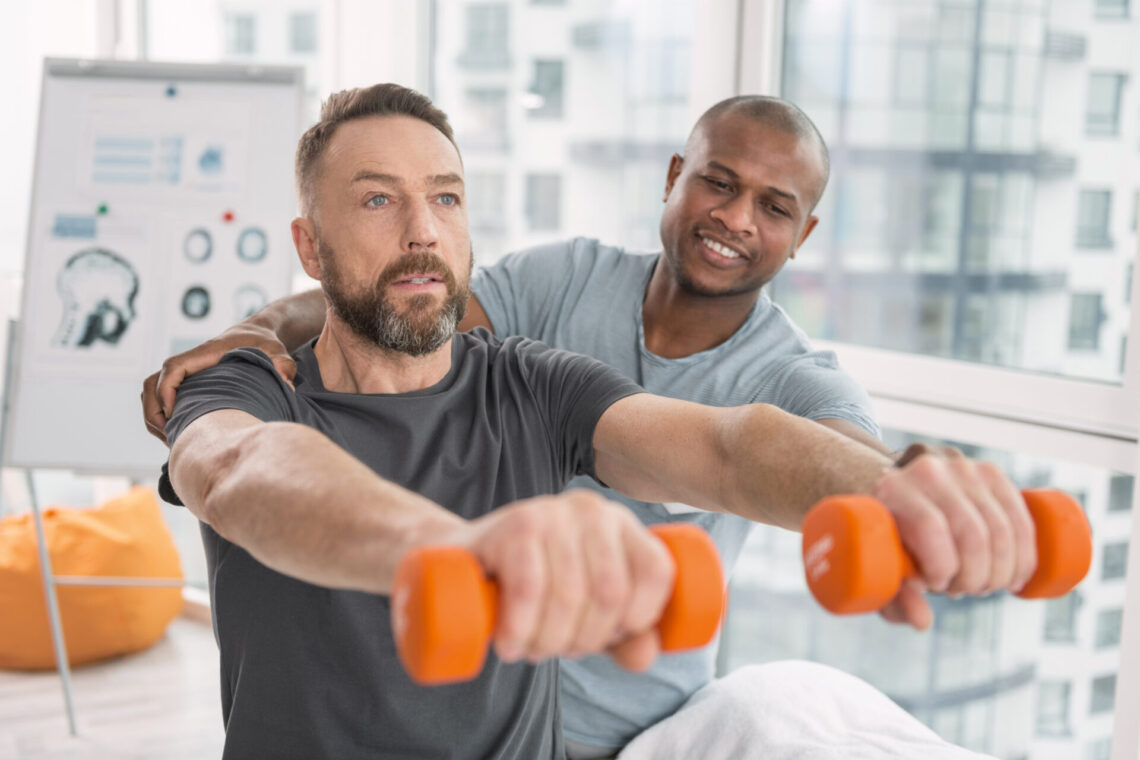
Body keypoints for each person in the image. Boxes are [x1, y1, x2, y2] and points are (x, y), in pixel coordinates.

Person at [151, 85, 1037, 760]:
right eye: (379, 200)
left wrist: (889, 488)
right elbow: (239, 471)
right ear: (310, 245)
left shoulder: (534, 380)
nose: (422, 230)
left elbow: (729, 448)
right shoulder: (243, 385)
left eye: (446, 198)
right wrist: (453, 550)